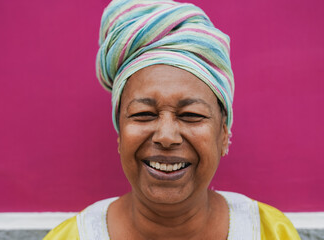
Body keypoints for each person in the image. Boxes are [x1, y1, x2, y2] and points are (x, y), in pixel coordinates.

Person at [44, 0, 301, 239]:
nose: (166, 137)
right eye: (143, 115)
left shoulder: (271, 232)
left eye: (192, 116)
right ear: (120, 134)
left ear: (223, 135)